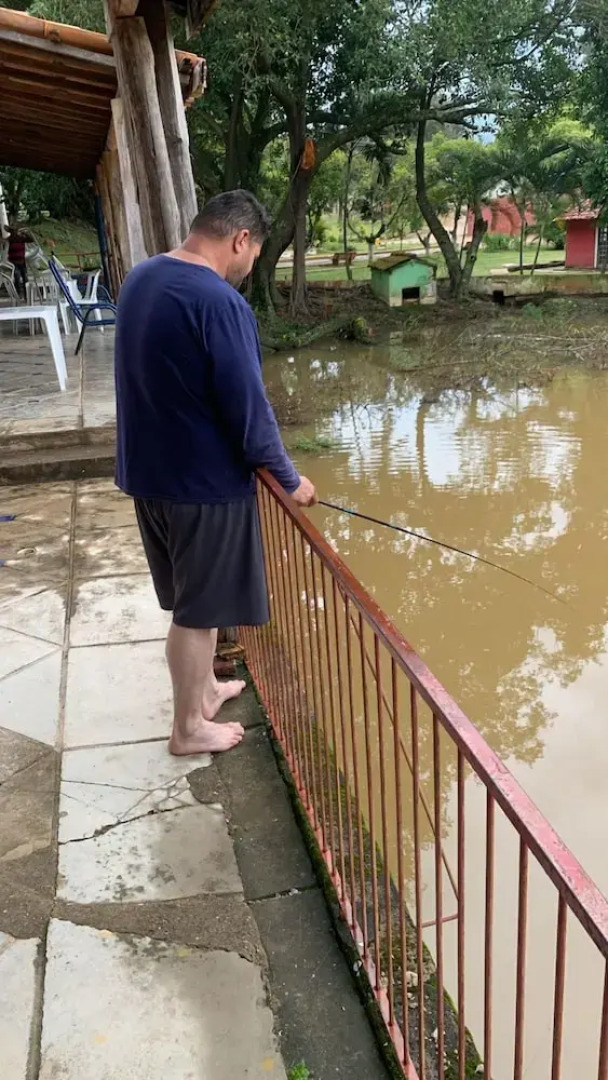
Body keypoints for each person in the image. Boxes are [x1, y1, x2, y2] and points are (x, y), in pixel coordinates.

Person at [114, 190, 317, 758]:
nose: (249, 268)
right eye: (253, 255)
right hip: (200, 487)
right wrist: (289, 477)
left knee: (191, 602)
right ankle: (187, 728)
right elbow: (249, 410)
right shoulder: (220, 302)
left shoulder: (143, 278)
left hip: (148, 476)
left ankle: (204, 691)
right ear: (240, 239)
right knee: (197, 614)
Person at [4, 223, 33, 298]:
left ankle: (27, 295)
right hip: (14, 262)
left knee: (25, 278)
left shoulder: (21, 238)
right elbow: (4, 245)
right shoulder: (10, 240)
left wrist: (25, 233)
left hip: (22, 261)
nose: (14, 233)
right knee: (17, 277)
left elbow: (31, 239)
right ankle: (19, 294)